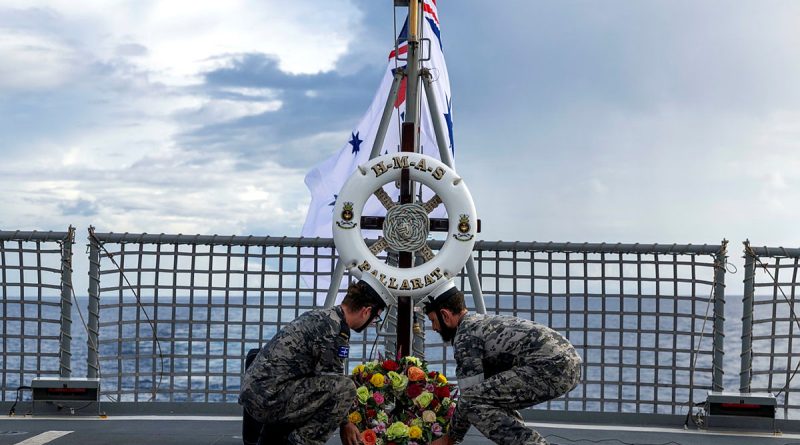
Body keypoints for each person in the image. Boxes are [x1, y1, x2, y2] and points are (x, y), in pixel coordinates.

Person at [423, 280, 582, 445]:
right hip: (566, 364)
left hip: (552, 366)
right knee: (485, 398)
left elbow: (468, 397)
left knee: (472, 401)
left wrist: (449, 439)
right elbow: (489, 395)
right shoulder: (478, 323)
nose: (434, 328)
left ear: (445, 315)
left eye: (433, 320)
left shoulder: (465, 336)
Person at [239, 275, 392, 445]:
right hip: (267, 400)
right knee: (346, 388)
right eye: (375, 317)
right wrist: (346, 424)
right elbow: (335, 383)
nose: (373, 323)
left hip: (259, 395)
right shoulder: (334, 331)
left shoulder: (325, 317)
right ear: (366, 311)